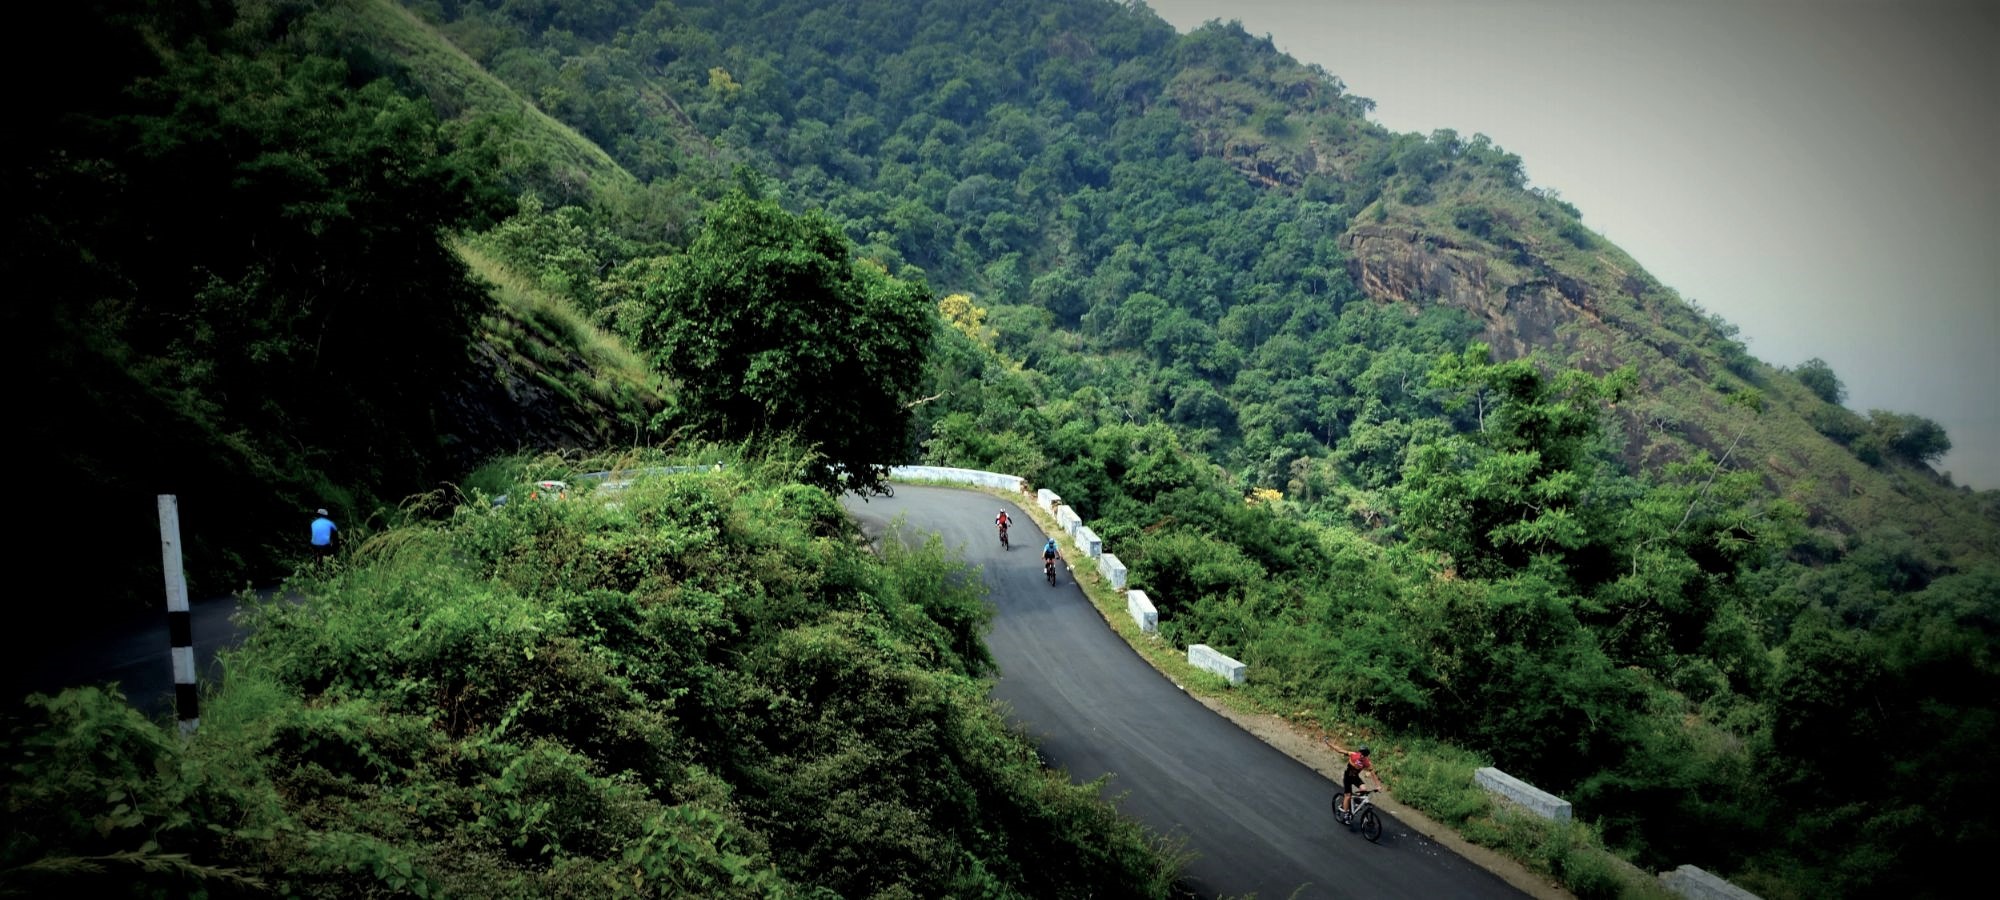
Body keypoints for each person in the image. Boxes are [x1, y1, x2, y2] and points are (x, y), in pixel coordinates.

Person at [1336, 743, 1381, 826]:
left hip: (1355, 778)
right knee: (1348, 796)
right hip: (1347, 778)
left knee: (1363, 789)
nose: (1362, 756)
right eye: (1361, 753)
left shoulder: (1367, 762)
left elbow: (1373, 774)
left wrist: (1378, 785)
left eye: (1364, 755)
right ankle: (1346, 815)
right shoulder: (1353, 755)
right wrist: (1328, 743)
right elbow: (1339, 750)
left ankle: (1355, 802)